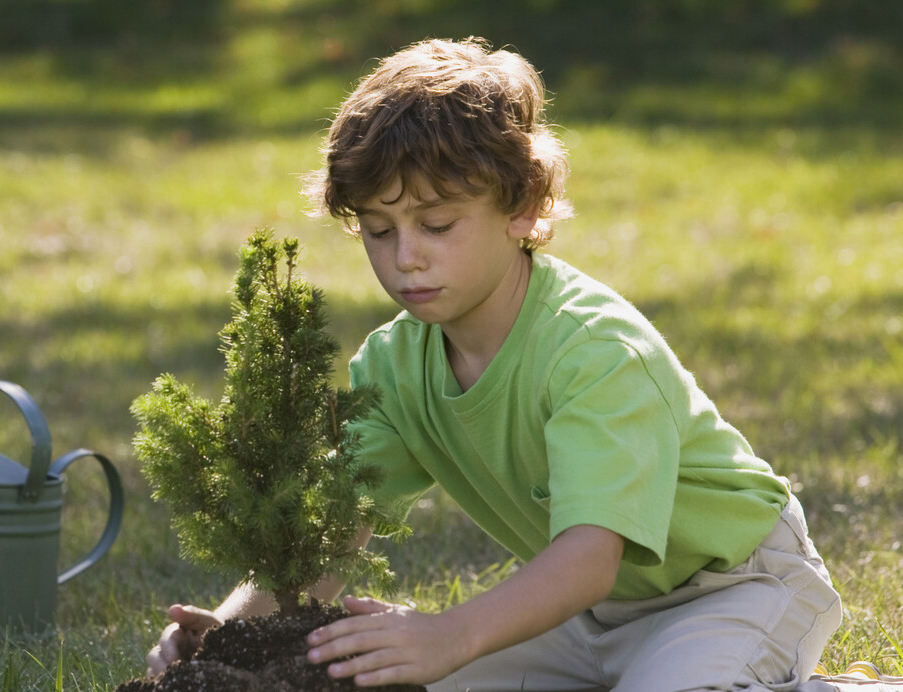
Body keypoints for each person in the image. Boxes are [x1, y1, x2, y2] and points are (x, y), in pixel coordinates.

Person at [145, 37, 864, 691]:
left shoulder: (593, 351)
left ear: (521, 206)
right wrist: (230, 632)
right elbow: (334, 533)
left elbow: (588, 556)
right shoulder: (394, 367)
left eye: (436, 224)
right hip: (587, 617)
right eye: (377, 230)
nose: (405, 258)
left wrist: (450, 633)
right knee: (398, 677)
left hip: (737, 587)